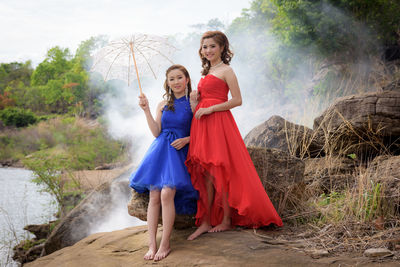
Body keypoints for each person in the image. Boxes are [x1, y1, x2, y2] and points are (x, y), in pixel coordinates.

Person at [186, 31, 283, 241]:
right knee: (207, 173)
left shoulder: (227, 70)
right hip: (202, 125)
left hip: (219, 123)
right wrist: (195, 103)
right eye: (204, 47)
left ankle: (227, 220)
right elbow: (202, 105)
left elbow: (237, 100)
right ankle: (208, 219)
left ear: (222, 48)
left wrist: (211, 109)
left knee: (222, 169)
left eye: (212, 46)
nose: (208, 50)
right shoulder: (206, 72)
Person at [129, 64, 198, 261]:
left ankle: (165, 243)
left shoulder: (193, 101)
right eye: (171, 79)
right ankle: (152, 243)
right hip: (160, 151)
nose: (175, 82)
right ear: (167, 83)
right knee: (154, 195)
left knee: (167, 193)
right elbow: (156, 132)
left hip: (180, 151)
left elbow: (203, 131)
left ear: (186, 79)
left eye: (179, 77)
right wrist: (147, 110)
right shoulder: (163, 104)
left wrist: (188, 139)